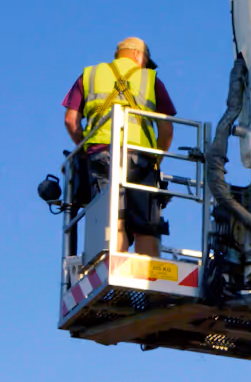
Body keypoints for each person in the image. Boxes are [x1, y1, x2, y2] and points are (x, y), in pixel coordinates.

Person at [62, 37, 177, 258]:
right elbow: (166, 129)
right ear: (138, 55)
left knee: (114, 219)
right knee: (146, 225)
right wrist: (156, 159)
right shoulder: (151, 79)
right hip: (141, 158)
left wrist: (86, 147)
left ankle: (115, 270)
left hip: (101, 156)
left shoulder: (89, 75)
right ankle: (147, 279)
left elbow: (70, 120)